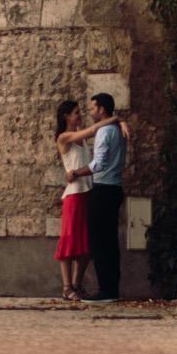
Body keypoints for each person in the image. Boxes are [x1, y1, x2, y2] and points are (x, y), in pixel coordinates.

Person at [69, 92, 126, 303]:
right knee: (110, 241)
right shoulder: (118, 129)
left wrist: (76, 172)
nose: (91, 112)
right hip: (115, 188)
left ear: (102, 109)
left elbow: (98, 164)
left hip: (102, 189)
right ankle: (112, 288)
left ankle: (105, 291)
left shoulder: (104, 132)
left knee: (99, 241)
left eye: (93, 108)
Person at [51, 99, 100, 301]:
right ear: (66, 117)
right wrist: (116, 120)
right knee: (69, 241)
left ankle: (77, 285)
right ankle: (67, 287)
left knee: (86, 244)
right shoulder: (64, 137)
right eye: (76, 113)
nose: (80, 116)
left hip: (87, 192)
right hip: (74, 196)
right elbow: (91, 130)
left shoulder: (82, 140)